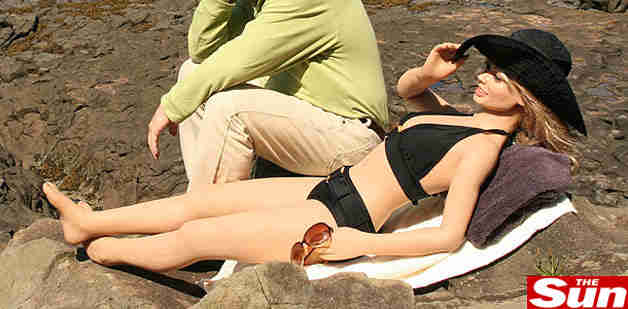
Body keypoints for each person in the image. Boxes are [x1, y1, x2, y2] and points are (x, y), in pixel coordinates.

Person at [44, 29, 586, 272]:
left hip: (339, 218)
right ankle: (89, 222)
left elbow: (448, 235)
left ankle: (106, 253)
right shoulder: (463, 116)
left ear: (525, 96)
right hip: (326, 186)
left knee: (197, 237)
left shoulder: (481, 150)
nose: (483, 77)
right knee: (200, 202)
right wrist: (428, 72)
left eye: (498, 75)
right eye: (487, 68)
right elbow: (408, 94)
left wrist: (360, 245)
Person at [146, 0, 389, 189]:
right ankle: (205, 192)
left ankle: (205, 211)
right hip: (311, 118)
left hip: (351, 136)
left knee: (229, 109)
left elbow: (240, 59)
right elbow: (203, 55)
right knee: (191, 73)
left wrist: (170, 107)